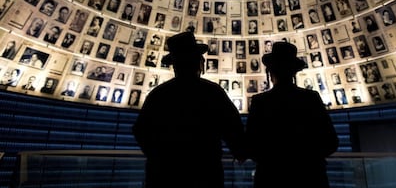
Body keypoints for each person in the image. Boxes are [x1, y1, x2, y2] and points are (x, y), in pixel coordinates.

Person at [132, 32, 245, 188]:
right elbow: (234, 130)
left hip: (164, 177)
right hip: (205, 175)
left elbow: (140, 131)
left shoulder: (158, 95)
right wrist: (241, 152)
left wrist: (159, 158)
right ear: (199, 62)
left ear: (175, 65)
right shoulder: (213, 93)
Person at [245, 41, 339, 188]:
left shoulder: (260, 101)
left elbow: (251, 146)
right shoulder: (311, 98)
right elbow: (331, 142)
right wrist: (309, 158)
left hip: (270, 177)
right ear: (294, 71)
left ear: (270, 72)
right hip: (310, 176)